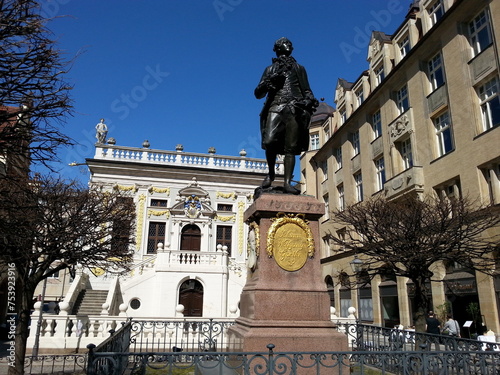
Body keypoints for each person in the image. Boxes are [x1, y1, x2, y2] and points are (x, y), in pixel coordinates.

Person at [255, 37, 318, 194]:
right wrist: (269, 82)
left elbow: (307, 90)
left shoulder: (299, 68)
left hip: (294, 108)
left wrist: (308, 100)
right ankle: (271, 174)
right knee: (269, 140)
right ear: (277, 48)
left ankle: (287, 183)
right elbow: (258, 93)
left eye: (290, 43)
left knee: (290, 147)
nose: (289, 45)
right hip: (275, 106)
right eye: (285, 43)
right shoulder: (270, 70)